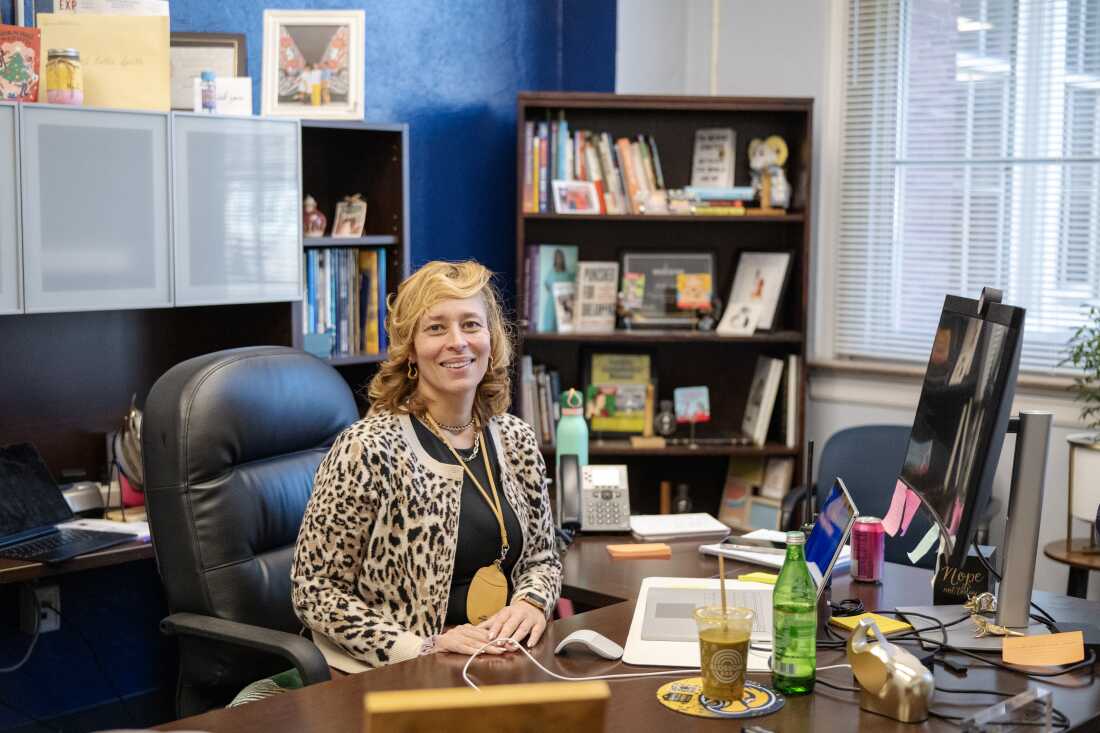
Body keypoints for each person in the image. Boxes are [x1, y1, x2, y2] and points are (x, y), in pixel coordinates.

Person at [292, 260, 561, 668]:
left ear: (492, 339)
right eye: (436, 328)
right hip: (395, 670)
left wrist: (532, 603)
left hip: (497, 658)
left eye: (471, 324)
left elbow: (543, 557)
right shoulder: (367, 449)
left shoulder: (516, 439)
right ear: (411, 350)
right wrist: (421, 647)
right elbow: (314, 589)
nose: (458, 341)